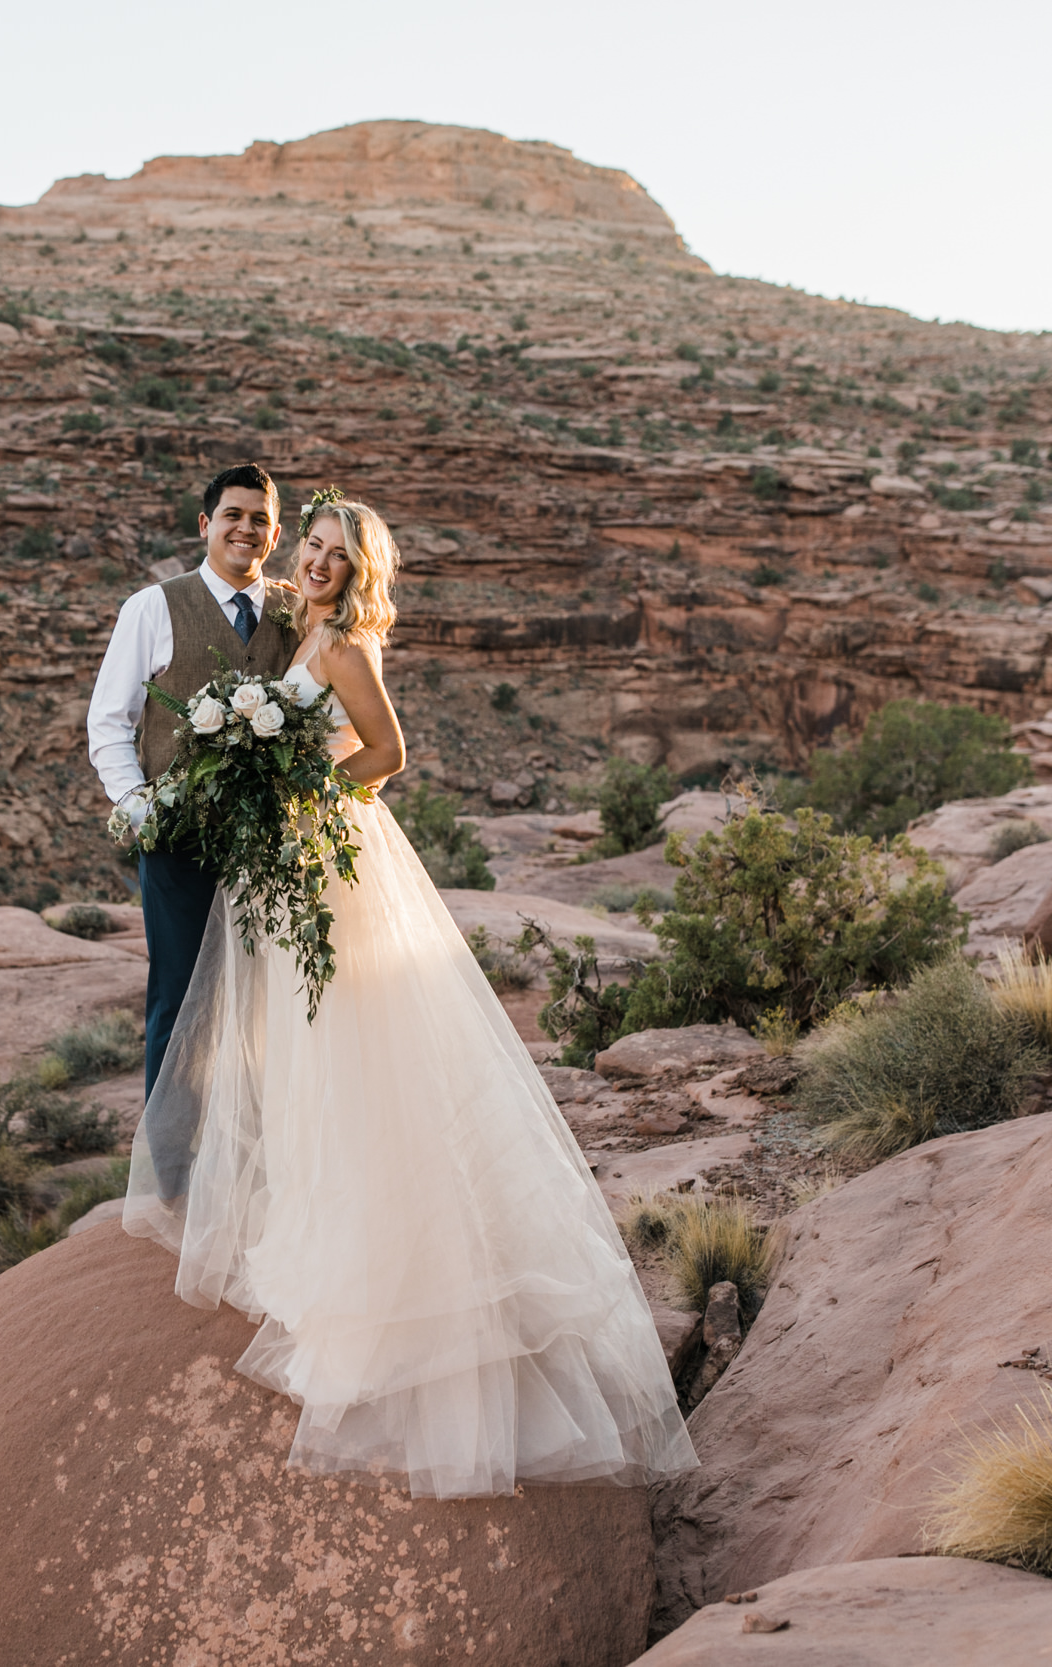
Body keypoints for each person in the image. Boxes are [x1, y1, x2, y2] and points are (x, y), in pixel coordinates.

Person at [120, 492, 698, 1499]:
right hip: (277, 864)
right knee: (295, 1051)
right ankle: (308, 1221)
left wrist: (311, 793)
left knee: (347, 1045)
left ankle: (389, 1271)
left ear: (360, 571)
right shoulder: (289, 631)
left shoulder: (342, 646)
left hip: (330, 862)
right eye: (312, 545)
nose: (318, 562)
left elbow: (388, 753)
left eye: (338, 555)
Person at [86, 463, 300, 1114]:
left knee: (269, 998)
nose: (246, 527)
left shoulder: (295, 612)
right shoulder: (153, 607)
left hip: (267, 843)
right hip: (177, 840)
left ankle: (255, 1155)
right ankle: (171, 1170)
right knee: (179, 998)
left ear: (275, 533)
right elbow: (108, 720)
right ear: (206, 524)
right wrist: (138, 805)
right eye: (233, 515)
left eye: (259, 519)